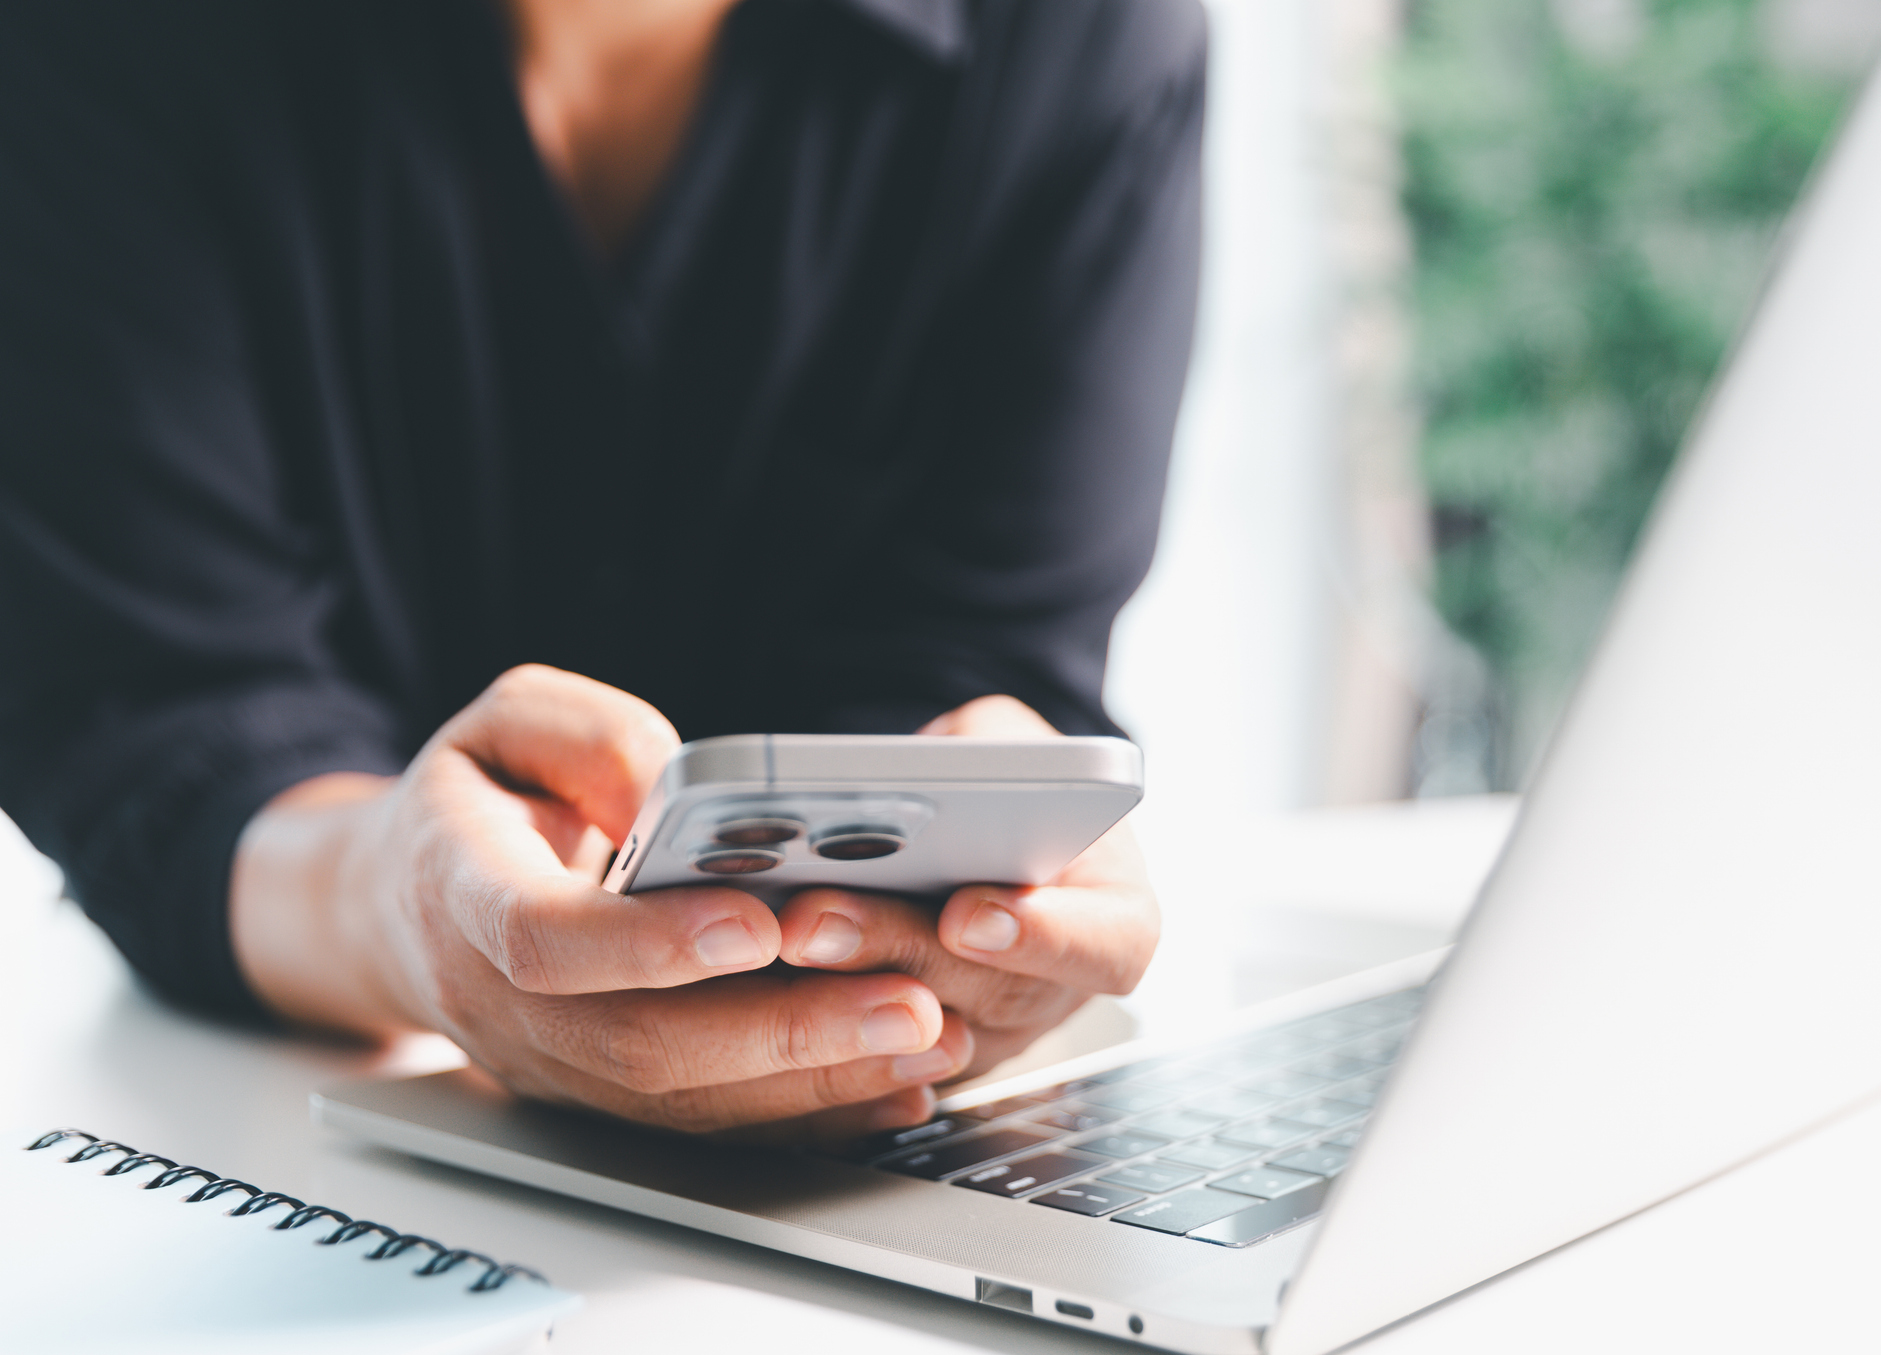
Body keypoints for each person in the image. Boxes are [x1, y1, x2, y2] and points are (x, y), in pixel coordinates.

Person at [0, 0, 1204, 1140]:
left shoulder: (1076, 35)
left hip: (869, 1161)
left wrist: (999, 903)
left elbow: (987, 653)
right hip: (284, 1133)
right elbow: (156, 719)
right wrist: (398, 906)